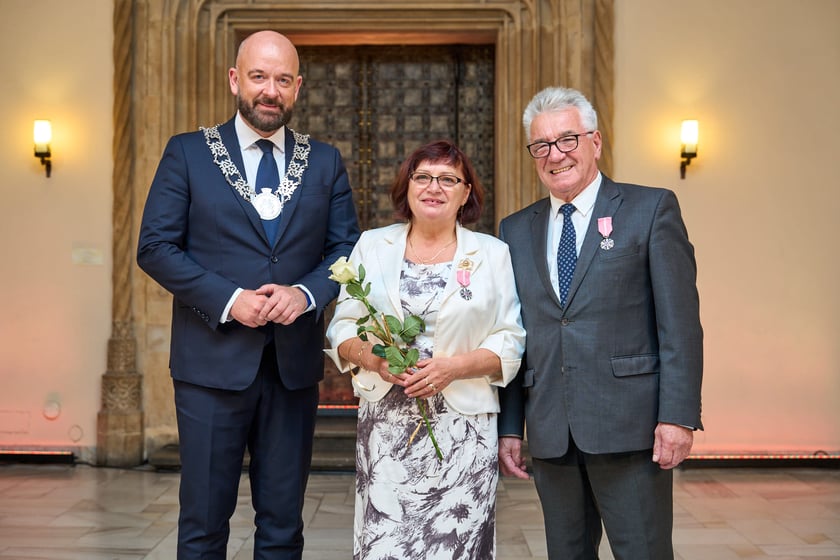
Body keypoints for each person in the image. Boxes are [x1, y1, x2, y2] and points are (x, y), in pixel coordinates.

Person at [136, 30, 360, 559]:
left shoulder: (324, 161)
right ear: (236, 80)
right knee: (203, 525)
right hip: (209, 368)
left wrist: (305, 294)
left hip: (292, 370)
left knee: (283, 527)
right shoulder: (188, 153)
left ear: (298, 87)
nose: (270, 90)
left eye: (282, 79)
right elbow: (155, 247)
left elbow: (347, 247)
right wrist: (229, 298)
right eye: (259, 76)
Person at [497, 86, 703, 560]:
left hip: (632, 429)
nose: (555, 155)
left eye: (567, 139)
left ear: (595, 141)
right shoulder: (515, 229)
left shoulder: (650, 209)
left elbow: (680, 325)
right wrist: (510, 426)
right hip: (551, 430)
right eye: (541, 145)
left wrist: (677, 416)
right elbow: (514, 334)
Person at [325, 140, 526, 560]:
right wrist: (375, 359)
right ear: (408, 185)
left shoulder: (492, 253)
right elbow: (342, 327)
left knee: (456, 546)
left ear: (466, 193)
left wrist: (454, 367)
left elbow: (510, 339)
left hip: (465, 433)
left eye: (448, 179)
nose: (434, 187)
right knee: (386, 546)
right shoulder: (372, 245)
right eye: (423, 177)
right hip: (387, 433)